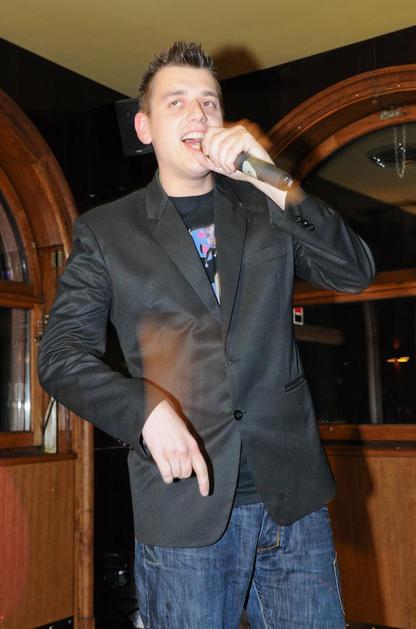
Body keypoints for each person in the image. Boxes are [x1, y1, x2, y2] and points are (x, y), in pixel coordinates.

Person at [38, 41, 375, 628]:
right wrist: (145, 410)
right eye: (177, 101)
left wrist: (271, 178)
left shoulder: (265, 206)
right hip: (184, 510)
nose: (198, 113)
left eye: (209, 102)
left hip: (292, 502)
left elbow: (354, 272)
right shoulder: (106, 232)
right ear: (145, 127)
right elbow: (61, 356)